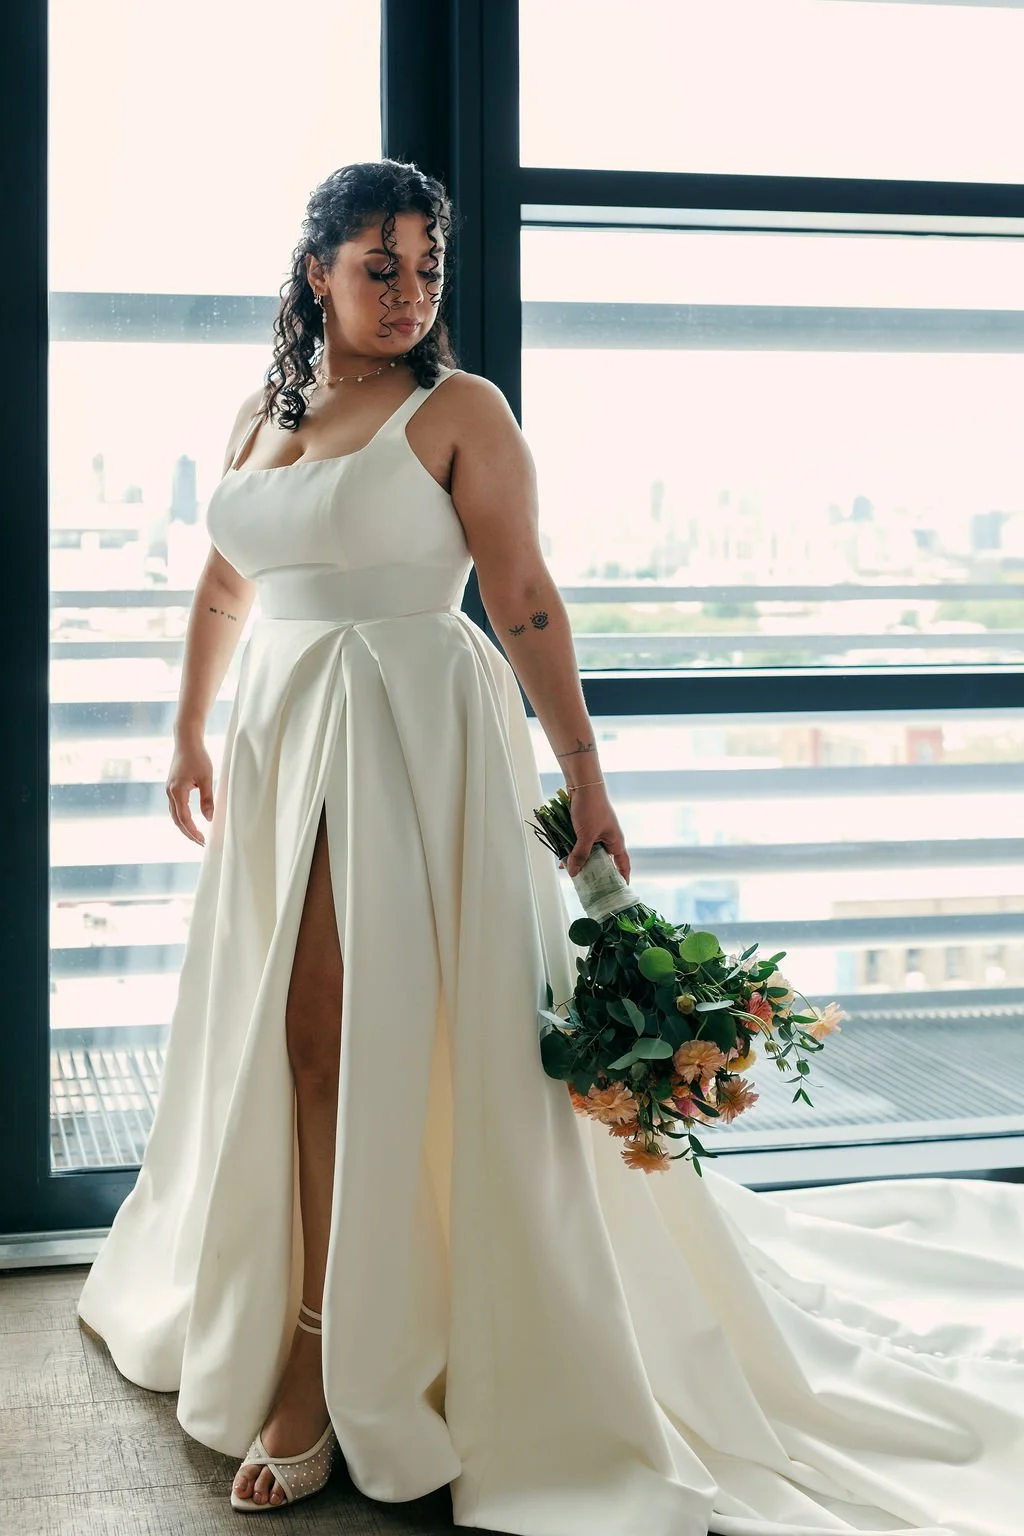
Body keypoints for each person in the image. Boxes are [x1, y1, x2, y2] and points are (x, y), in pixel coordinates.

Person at [76, 159, 1024, 1536]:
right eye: (377, 267)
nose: (406, 294)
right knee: (284, 1040)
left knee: (339, 1037)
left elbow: (523, 599)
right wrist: (185, 733)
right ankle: (304, 1315)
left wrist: (586, 773)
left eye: (426, 269)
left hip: (408, 743)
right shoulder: (263, 412)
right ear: (316, 275)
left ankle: (326, 1362)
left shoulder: (457, 412)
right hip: (286, 741)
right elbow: (228, 581)